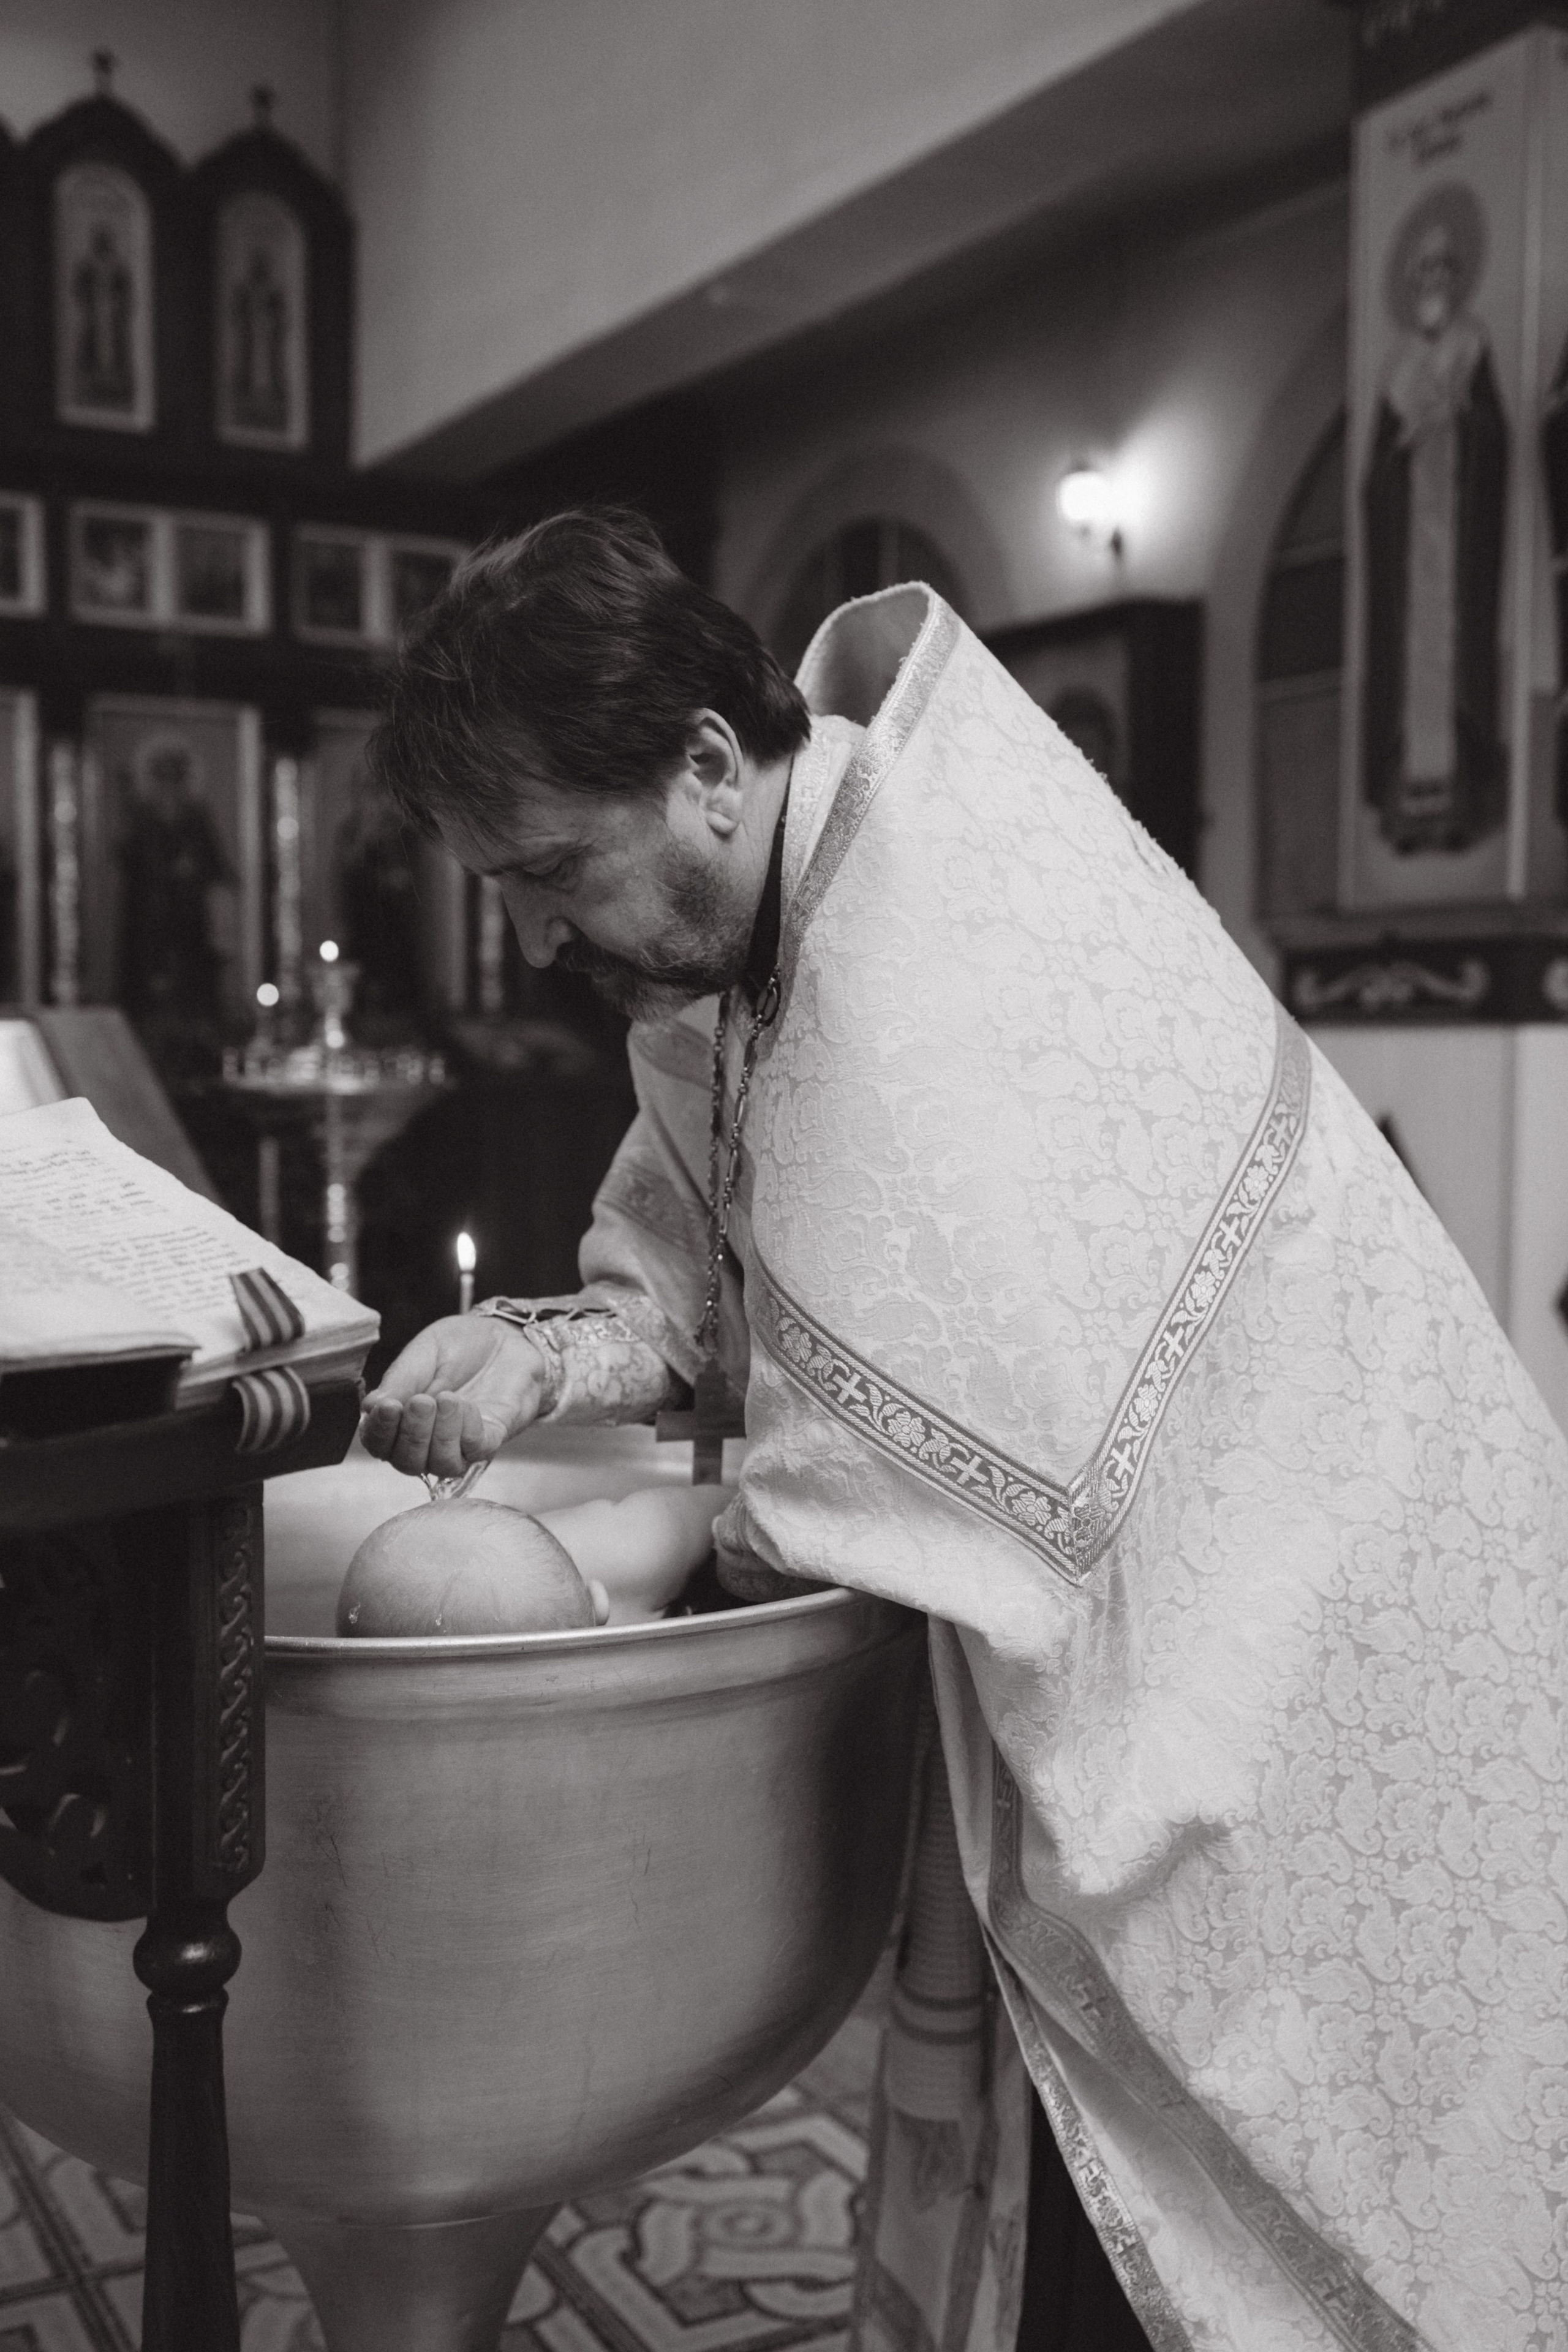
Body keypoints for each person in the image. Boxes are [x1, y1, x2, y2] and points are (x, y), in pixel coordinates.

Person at [361, 508, 1567, 2351]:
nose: (533, 938)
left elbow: (954, 1446)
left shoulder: (943, 926)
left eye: (548, 871)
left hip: (1293, 1614)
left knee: (1302, 2165)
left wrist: (664, 1565)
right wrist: (540, 1354)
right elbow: (698, 1271)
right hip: (1105, 1644)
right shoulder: (730, 923)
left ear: (702, 765)